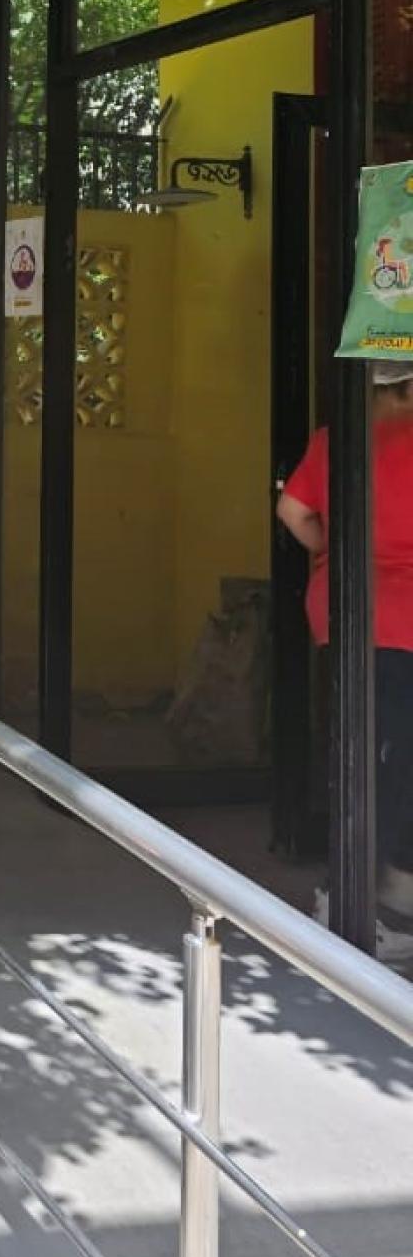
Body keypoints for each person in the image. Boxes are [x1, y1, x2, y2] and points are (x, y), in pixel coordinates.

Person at [276, 361, 413, 950]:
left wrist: (334, 550)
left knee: (363, 750)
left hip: (345, 607)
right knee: (398, 758)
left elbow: (292, 511)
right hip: (405, 617)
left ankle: (355, 895)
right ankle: (372, 903)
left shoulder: (336, 439)